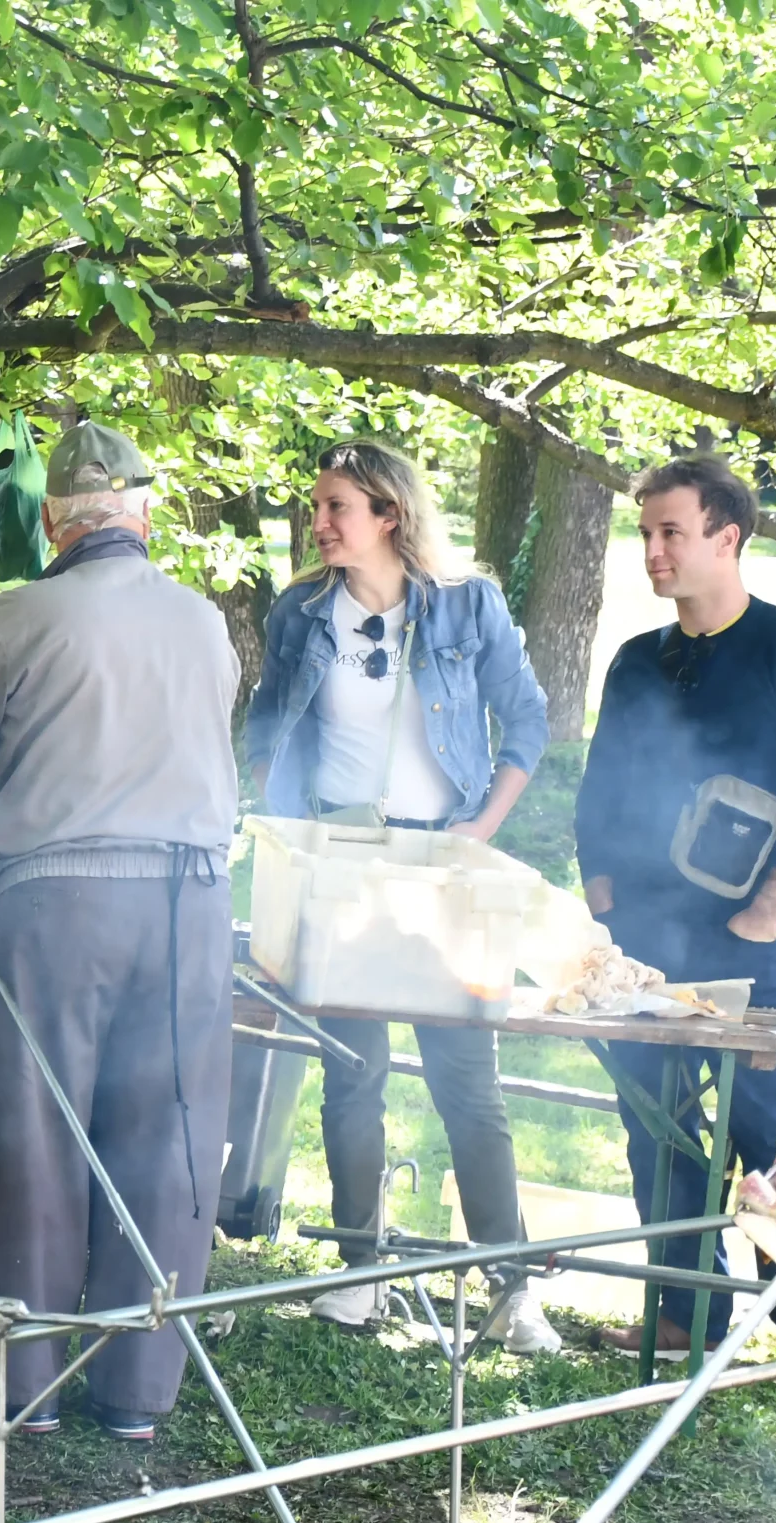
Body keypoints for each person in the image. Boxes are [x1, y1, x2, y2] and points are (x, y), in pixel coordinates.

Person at [0, 421, 237, 1444]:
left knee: (33, 1131)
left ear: (52, 522)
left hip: (56, 897)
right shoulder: (202, 621)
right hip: (191, 900)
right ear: (142, 513)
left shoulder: (27, 611)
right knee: (167, 1135)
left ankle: (24, 1380)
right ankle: (136, 1391)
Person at [239, 440, 560, 1353]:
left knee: (470, 1086)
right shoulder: (302, 612)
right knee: (354, 1075)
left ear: (390, 513)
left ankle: (510, 1286)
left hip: (444, 866)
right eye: (318, 505)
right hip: (337, 860)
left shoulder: (468, 604)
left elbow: (527, 720)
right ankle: (357, 1269)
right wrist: (286, 806)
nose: (321, 521)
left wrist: (480, 829)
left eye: (338, 506)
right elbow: (267, 719)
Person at [573, 455, 776, 1411]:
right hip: (642, 945)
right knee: (655, 1133)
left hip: (747, 945)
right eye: (646, 533)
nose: (653, 550)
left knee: (773, 1137)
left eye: (671, 532)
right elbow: (602, 788)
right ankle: (680, 1314)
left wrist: (771, 903)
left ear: (726, 538)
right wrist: (604, 898)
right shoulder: (636, 660)